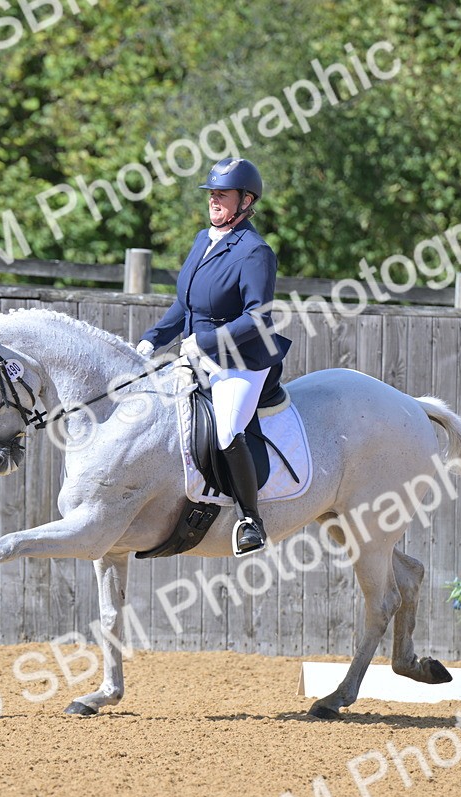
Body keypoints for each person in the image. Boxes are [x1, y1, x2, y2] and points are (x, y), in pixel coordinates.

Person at [137, 157, 291, 555]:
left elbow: (258, 317)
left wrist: (206, 343)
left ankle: (249, 520)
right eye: (212, 194)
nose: (214, 201)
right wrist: (152, 341)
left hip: (242, 360)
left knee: (226, 430)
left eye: (223, 194)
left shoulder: (255, 251)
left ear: (245, 200)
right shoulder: (202, 241)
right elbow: (184, 305)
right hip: (196, 352)